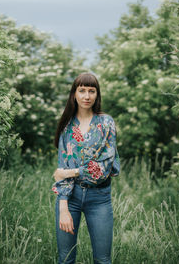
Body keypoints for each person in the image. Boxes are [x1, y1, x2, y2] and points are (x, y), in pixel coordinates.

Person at [51, 72, 120, 264]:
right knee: (65, 259)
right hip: (69, 198)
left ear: (97, 94)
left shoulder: (106, 123)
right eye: (82, 90)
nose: (86, 96)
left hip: (99, 198)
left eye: (91, 91)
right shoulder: (66, 126)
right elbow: (61, 167)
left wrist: (72, 172)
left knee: (103, 260)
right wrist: (63, 207)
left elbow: (104, 167)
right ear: (74, 94)